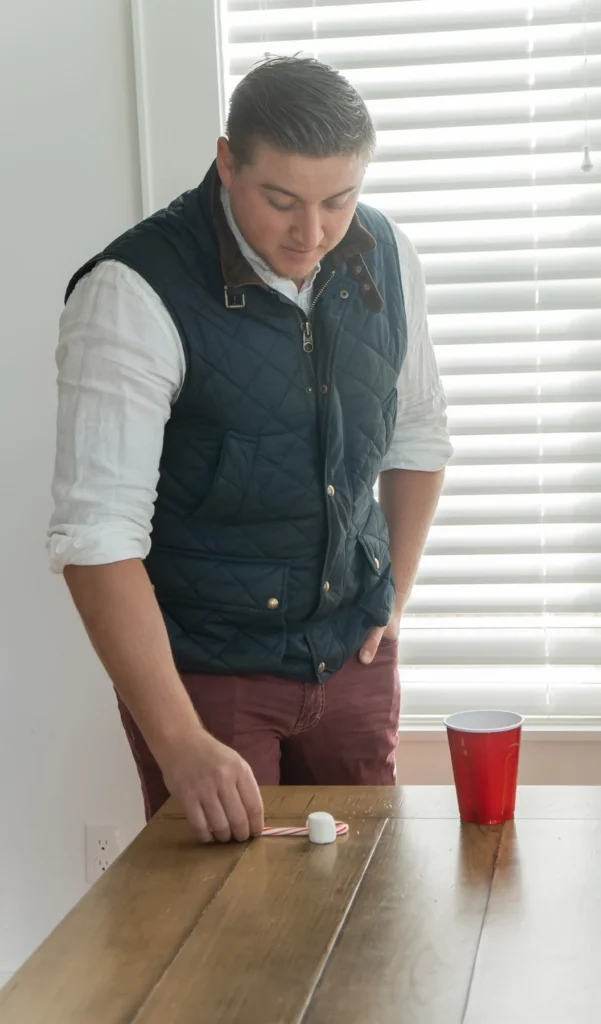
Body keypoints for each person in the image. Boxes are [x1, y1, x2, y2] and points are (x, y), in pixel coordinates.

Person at [48, 57, 452, 845]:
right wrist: (176, 740)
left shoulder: (385, 253)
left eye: (338, 200)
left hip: (354, 657)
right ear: (228, 161)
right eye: (281, 200)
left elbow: (418, 432)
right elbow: (97, 540)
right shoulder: (131, 293)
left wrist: (393, 596)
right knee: (225, 936)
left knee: (363, 913)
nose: (312, 234)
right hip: (209, 677)